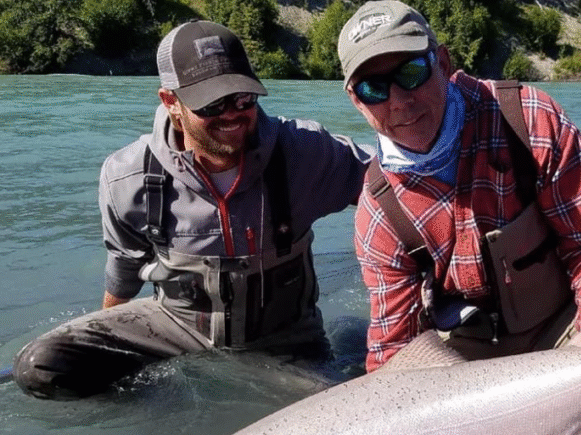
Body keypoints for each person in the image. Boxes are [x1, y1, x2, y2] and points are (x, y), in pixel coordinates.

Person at [338, 0, 581, 435]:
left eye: (412, 72)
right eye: (375, 87)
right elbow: (395, 354)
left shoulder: (526, 119)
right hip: (473, 357)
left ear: (441, 63)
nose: (399, 100)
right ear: (356, 100)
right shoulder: (379, 212)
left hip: (567, 324)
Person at [13, 20, 371, 400]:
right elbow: (123, 271)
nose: (233, 114)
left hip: (284, 342)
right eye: (212, 103)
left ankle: (347, 341)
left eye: (243, 98)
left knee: (343, 404)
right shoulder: (126, 176)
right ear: (171, 103)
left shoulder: (306, 151)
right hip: (175, 328)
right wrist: (111, 354)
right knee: (41, 366)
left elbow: (394, 189)